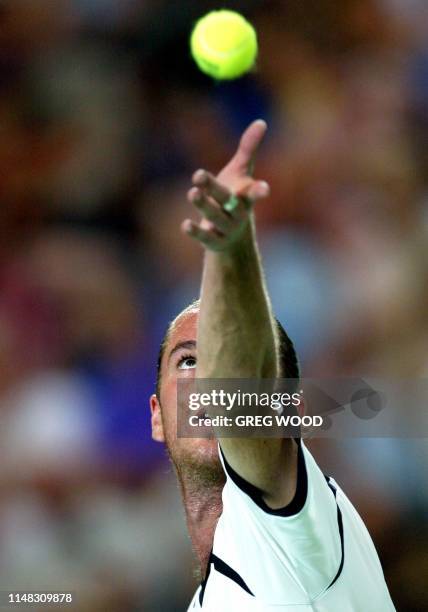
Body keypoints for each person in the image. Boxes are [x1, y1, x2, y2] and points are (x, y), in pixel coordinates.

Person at [149, 120, 395, 611]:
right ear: (157, 415)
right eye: (189, 360)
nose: (209, 378)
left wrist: (230, 252)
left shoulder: (302, 527)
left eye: (220, 358)